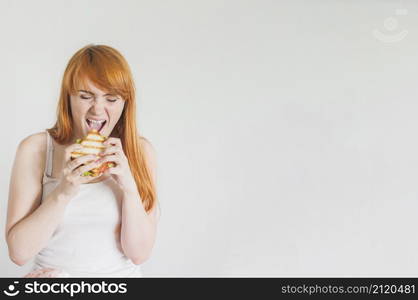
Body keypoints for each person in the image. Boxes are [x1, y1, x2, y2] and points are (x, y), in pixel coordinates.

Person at [5, 44, 160, 277]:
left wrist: (129, 187)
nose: (97, 109)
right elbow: (19, 252)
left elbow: (139, 253)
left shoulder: (140, 151)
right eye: (86, 96)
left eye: (111, 98)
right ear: (68, 97)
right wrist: (63, 191)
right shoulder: (36, 149)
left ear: (125, 102)